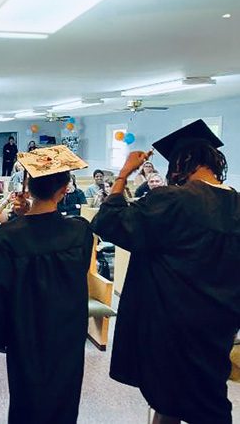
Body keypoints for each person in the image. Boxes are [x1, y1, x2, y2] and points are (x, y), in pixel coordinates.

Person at [91, 119, 240, 424]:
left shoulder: (174, 200)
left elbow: (110, 222)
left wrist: (123, 174)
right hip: (219, 323)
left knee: (186, 399)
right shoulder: (237, 204)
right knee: (202, 393)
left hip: (171, 323)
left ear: (182, 163)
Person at [0, 145, 92, 424]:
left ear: (27, 187)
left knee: (27, 400)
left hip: (25, 335)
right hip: (67, 336)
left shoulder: (5, 238)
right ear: (65, 190)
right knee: (64, 400)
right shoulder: (80, 232)